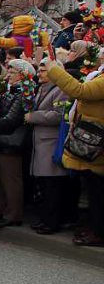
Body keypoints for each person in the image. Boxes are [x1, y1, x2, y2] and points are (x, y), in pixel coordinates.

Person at [45, 53, 104, 246]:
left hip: (96, 140)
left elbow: (80, 90)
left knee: (98, 192)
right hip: (93, 138)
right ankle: (93, 227)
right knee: (93, 189)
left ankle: (97, 231)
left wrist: (55, 70)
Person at [0, 59, 33, 229]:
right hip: (1, 139)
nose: (9, 76)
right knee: (1, 179)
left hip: (11, 140)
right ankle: (0, 208)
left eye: (13, 73)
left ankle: (13, 213)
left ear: (22, 75)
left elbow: (12, 118)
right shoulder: (9, 91)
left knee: (11, 179)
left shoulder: (23, 93)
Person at [26, 60, 68, 234]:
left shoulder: (61, 90)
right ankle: (44, 219)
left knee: (52, 186)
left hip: (50, 142)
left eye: (43, 71)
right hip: (40, 142)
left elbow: (59, 115)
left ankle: (51, 222)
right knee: (43, 185)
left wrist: (34, 116)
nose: (39, 74)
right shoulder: (42, 88)